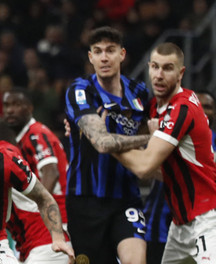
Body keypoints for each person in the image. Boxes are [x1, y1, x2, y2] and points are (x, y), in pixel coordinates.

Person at [112, 42, 216, 263]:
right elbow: (161, 171)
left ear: (181, 73)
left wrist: (107, 144)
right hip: (180, 224)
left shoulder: (182, 109)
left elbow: (144, 168)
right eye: (155, 67)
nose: (159, 75)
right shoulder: (156, 107)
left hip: (208, 220)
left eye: (167, 68)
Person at [63, 26, 151, 264]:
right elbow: (102, 143)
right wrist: (150, 137)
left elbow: (148, 147)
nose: (104, 57)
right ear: (90, 57)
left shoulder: (140, 93)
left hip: (126, 196)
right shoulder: (80, 90)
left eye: (110, 50)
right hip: (84, 200)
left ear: (122, 54)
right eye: (98, 51)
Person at [0, 92, 74, 264]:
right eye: (6, 106)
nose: (10, 111)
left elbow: (48, 181)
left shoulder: (9, 154)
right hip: (25, 243)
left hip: (42, 237)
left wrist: (57, 234)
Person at [0, 88, 68, 226]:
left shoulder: (36, 133)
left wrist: (38, 211)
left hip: (59, 213)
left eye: (16, 105)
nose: (10, 110)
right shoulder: (25, 138)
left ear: (30, 108)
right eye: (6, 105)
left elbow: (51, 172)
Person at [197, 90, 216, 185]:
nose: (202, 110)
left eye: (207, 107)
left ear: (215, 115)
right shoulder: (171, 136)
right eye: (197, 105)